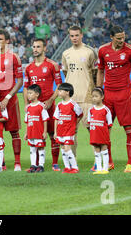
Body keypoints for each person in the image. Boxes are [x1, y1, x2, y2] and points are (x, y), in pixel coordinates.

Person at [97, 25, 131, 173]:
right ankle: (109, 162)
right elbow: (100, 70)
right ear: (111, 37)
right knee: (104, 129)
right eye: (118, 38)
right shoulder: (103, 50)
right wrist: (98, 91)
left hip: (124, 94)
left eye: (123, 37)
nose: (122, 40)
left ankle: (130, 164)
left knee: (129, 129)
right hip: (108, 95)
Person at [61, 25, 99, 168]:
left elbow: (95, 73)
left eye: (77, 35)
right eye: (72, 36)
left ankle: (98, 161)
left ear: (82, 35)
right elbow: (66, 73)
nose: (74, 38)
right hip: (71, 99)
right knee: (70, 133)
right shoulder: (66, 53)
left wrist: (94, 92)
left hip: (87, 96)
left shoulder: (90, 52)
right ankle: (72, 161)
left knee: (92, 130)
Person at [23, 38, 62, 171]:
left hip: (48, 106)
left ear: (44, 48)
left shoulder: (52, 65)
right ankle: (37, 164)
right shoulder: (29, 68)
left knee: (52, 134)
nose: (35, 49)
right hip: (34, 108)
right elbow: (26, 87)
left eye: (38, 47)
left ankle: (55, 163)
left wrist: (51, 100)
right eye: (34, 47)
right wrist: (26, 105)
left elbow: (59, 86)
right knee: (34, 134)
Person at [0, 29, 23, 171]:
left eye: (0, 39)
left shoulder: (14, 57)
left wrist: (8, 97)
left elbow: (19, 81)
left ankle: (17, 162)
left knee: (14, 131)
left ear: (7, 41)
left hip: (10, 99)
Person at [53, 83, 83, 174]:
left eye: (60, 91)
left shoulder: (73, 104)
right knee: (63, 148)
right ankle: (67, 167)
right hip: (60, 131)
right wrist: (55, 132)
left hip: (69, 131)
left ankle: (74, 167)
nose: (58, 92)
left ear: (67, 92)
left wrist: (74, 124)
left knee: (67, 148)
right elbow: (56, 118)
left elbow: (80, 115)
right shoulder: (59, 105)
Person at [24, 84, 49, 173]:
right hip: (31, 132)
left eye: (30, 93)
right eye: (28, 93)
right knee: (32, 148)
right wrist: (26, 133)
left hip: (39, 131)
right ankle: (33, 165)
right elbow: (27, 121)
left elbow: (45, 119)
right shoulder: (28, 107)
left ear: (37, 94)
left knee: (41, 148)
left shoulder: (41, 106)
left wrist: (45, 132)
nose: (28, 95)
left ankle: (41, 165)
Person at [88, 87, 113, 175]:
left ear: (102, 97)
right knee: (96, 151)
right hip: (95, 135)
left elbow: (109, 124)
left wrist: (108, 136)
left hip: (103, 135)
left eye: (96, 96)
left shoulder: (106, 110)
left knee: (104, 150)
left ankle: (105, 168)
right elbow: (90, 123)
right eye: (93, 96)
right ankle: (98, 169)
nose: (94, 98)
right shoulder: (91, 110)